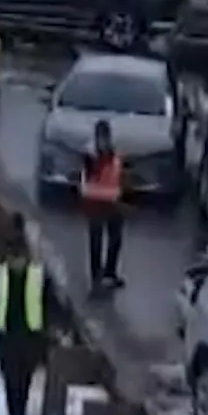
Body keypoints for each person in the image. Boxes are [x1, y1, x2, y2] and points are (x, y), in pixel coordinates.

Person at [0, 215, 52, 415]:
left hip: (24, 336)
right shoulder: (9, 272)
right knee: (15, 381)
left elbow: (48, 302)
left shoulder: (31, 273)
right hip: (14, 336)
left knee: (20, 381)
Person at [80, 118, 124, 295]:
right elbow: (89, 176)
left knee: (116, 239)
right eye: (101, 137)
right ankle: (96, 277)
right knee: (96, 240)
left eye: (106, 137)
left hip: (112, 202)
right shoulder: (91, 156)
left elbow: (117, 176)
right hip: (94, 202)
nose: (104, 141)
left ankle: (110, 272)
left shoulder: (114, 156)